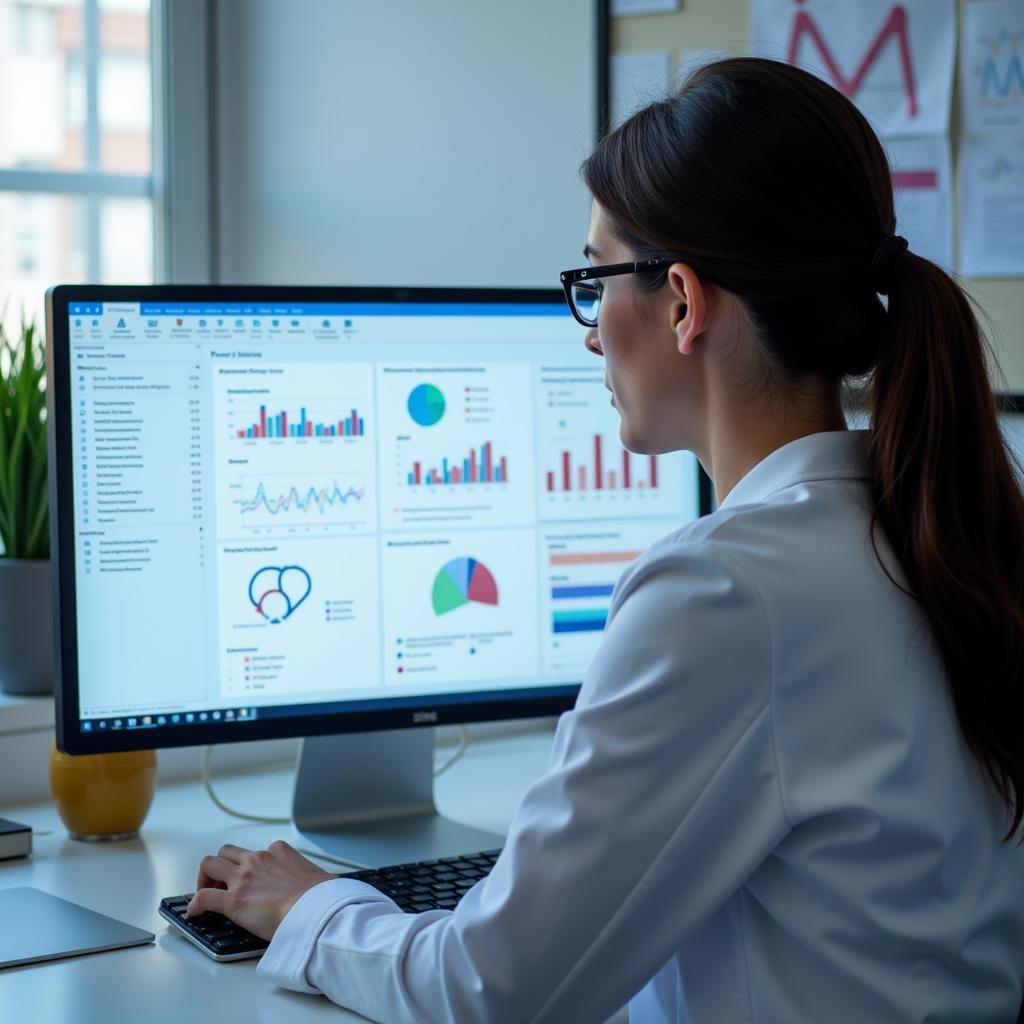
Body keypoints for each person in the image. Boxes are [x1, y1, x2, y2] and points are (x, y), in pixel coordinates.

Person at [186, 57, 1024, 1022]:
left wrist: (313, 909)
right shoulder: (930, 526)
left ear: (681, 302)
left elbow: (490, 991)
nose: (587, 331)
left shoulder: (728, 593)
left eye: (594, 279)